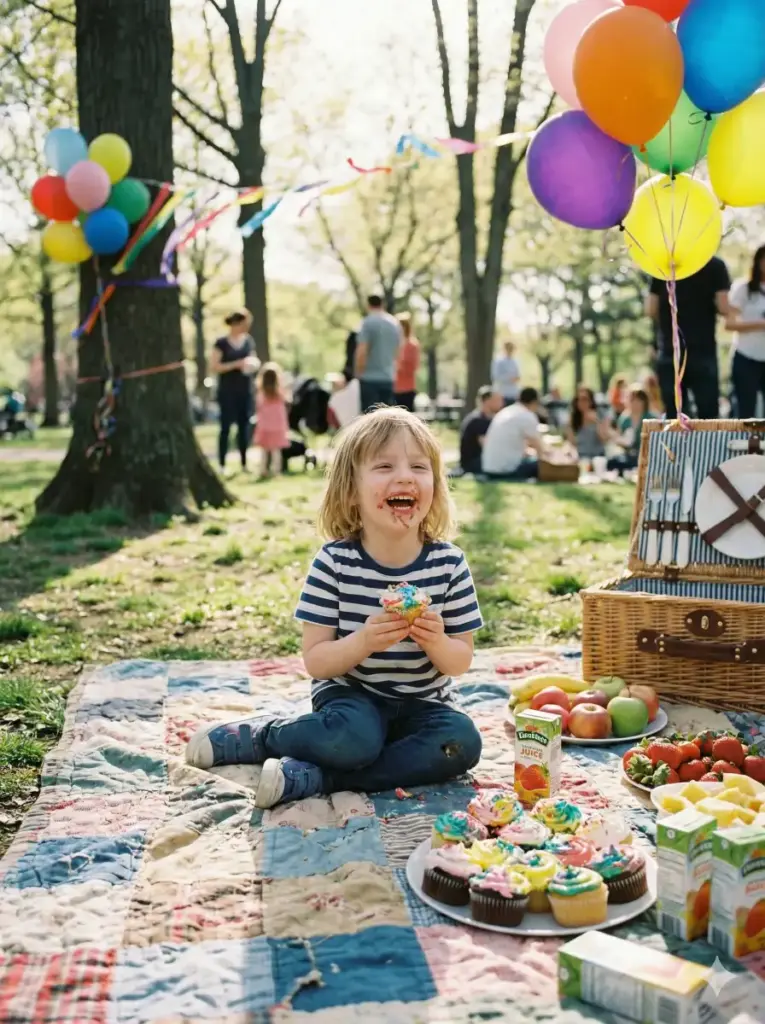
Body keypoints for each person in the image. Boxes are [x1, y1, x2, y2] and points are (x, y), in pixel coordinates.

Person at [185, 407, 484, 808]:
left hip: (423, 705)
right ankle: (262, 735)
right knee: (353, 738)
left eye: (419, 465)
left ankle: (319, 776)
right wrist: (363, 641)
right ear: (350, 491)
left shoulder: (448, 564)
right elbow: (317, 661)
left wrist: (436, 641)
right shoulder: (335, 563)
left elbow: (459, 660)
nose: (404, 476)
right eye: (383, 466)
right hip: (350, 698)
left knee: (461, 743)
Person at [646, 256, 731, 419]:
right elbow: (724, 307)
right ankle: (709, 445)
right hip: (703, 350)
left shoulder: (663, 264)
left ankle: (675, 445)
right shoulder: (715, 265)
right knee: (708, 416)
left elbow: (650, 308)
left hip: (671, 349)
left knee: (674, 415)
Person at [210, 310, 258, 471]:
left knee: (244, 427)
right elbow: (214, 366)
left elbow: (252, 358)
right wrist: (235, 364)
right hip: (227, 391)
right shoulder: (221, 343)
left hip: (245, 390)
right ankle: (222, 463)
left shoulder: (248, 341)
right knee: (225, 428)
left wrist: (250, 365)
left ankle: (244, 462)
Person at [726, 245, 765, 418]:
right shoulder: (743, 288)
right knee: (744, 411)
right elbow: (729, 323)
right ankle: (743, 445)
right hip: (746, 357)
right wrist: (760, 324)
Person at [481, 386, 545, 480]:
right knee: (540, 465)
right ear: (535, 402)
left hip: (489, 469)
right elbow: (540, 450)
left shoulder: (506, 411)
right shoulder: (527, 416)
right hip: (507, 471)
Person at [355, 295, 402, 411]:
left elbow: (362, 350)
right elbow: (398, 351)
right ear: (382, 304)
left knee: (370, 420)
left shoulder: (367, 323)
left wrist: (358, 372)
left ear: (368, 305)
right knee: (386, 420)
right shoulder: (394, 324)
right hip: (388, 377)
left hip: (369, 378)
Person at [607, 385, 656, 475]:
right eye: (632, 400)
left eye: (639, 400)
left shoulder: (652, 418)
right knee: (612, 461)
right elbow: (620, 438)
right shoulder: (624, 419)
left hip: (647, 455)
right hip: (629, 455)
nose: (635, 403)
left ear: (645, 402)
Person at [253, 362, 290, 478]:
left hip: (264, 426)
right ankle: (276, 471)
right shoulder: (280, 393)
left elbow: (258, 408)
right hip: (278, 427)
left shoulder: (261, 394)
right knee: (276, 450)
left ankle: (263, 469)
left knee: (264, 450)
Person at [459, 385, 503, 474]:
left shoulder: (488, 418)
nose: (502, 403)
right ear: (487, 401)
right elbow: (486, 446)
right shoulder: (478, 420)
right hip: (474, 463)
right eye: (498, 400)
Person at [566, 385, 610, 461]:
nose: (581, 402)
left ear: (591, 401)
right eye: (578, 399)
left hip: (598, 457)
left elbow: (604, 439)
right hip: (581, 457)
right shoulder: (573, 417)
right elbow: (572, 443)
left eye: (585, 399)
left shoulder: (600, 414)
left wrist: (597, 422)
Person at [393, 312, 421, 412]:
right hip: (393, 388)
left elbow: (414, 367)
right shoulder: (393, 344)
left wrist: (400, 364)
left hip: (407, 389)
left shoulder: (412, 345)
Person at [491, 340, 521, 406]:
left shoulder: (515, 362)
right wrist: (509, 378)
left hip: (513, 393)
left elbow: (518, 375)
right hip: (503, 393)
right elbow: (496, 376)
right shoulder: (499, 361)